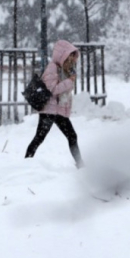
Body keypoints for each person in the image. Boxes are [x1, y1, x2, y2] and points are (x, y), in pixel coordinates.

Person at [25, 40, 84, 168]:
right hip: (49, 111)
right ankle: (26, 162)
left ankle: (81, 165)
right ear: (64, 55)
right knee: (39, 138)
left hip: (57, 111)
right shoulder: (52, 67)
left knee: (72, 136)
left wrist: (69, 80)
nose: (74, 59)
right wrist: (69, 82)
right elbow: (52, 90)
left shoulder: (63, 69)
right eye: (71, 55)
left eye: (75, 55)